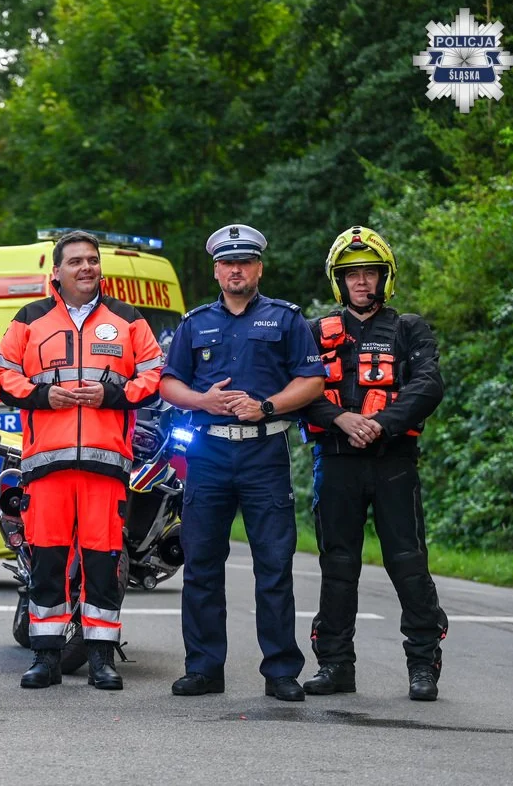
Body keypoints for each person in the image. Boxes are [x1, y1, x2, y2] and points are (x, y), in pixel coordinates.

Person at [159, 224, 325, 702]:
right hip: (208, 453)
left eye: (245, 262)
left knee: (274, 564)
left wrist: (267, 406)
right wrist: (201, 401)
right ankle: (204, 668)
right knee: (202, 564)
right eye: (228, 263)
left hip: (263, 453)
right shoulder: (195, 322)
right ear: (216, 270)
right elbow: (169, 383)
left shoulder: (286, 319)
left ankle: (280, 671)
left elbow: (311, 381)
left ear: (258, 268)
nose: (236, 270)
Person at [0, 230, 164, 690]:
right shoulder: (30, 318)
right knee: (47, 562)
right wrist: (42, 395)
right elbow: (3, 374)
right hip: (45, 465)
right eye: (76, 262)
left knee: (103, 564)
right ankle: (46, 658)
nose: (86, 268)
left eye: (92, 260)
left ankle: (101, 659)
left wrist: (113, 394)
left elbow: (154, 373)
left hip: (106, 466)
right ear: (56, 271)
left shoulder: (128, 319)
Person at [300, 226, 448, 701]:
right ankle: (336, 665)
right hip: (337, 461)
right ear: (338, 282)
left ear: (386, 278)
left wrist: (380, 423)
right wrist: (342, 419)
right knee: (338, 565)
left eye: (370, 273)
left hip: (393, 462)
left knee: (407, 562)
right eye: (352, 275)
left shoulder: (410, 328)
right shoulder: (315, 332)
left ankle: (423, 664)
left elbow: (428, 386)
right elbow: (299, 392)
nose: (361, 282)